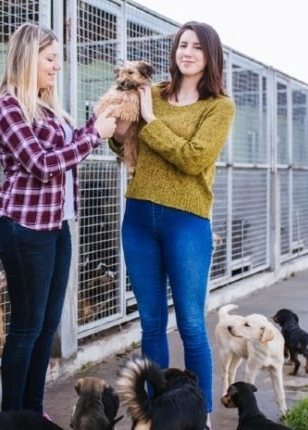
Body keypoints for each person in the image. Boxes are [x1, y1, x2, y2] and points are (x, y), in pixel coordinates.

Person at [110, 21, 236, 422]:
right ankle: (154, 415)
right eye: (182, 45)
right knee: (150, 323)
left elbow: (193, 158)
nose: (187, 53)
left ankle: (202, 415)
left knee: (191, 324)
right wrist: (122, 130)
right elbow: (123, 143)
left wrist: (152, 118)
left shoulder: (219, 106)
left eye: (197, 47)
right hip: (139, 217)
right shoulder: (152, 91)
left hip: (187, 222)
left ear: (210, 56)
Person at [0, 22, 116, 415]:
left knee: (46, 326)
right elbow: (41, 165)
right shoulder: (10, 105)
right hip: (23, 226)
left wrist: (98, 122)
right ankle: (14, 416)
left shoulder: (47, 105)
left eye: (58, 59)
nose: (57, 66)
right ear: (28, 58)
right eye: (50, 58)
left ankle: (33, 410)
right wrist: (94, 137)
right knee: (26, 327)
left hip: (56, 225)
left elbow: (72, 144)